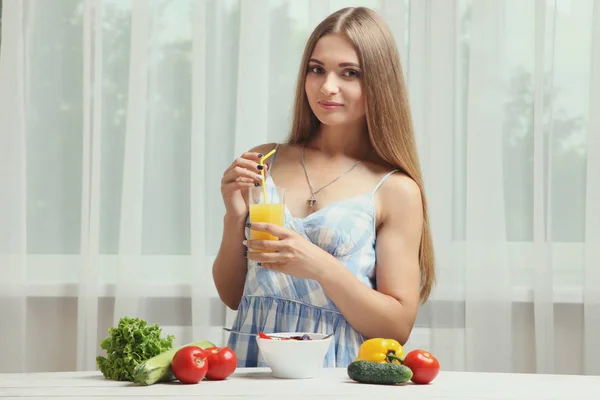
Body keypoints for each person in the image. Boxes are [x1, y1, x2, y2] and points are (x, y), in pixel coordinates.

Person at [212, 6, 435, 368]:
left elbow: (396, 327)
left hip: (334, 372)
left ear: (379, 82)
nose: (327, 86)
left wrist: (319, 265)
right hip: (252, 367)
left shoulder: (395, 189)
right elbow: (236, 296)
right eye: (317, 69)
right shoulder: (263, 159)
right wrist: (234, 216)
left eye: (350, 73)